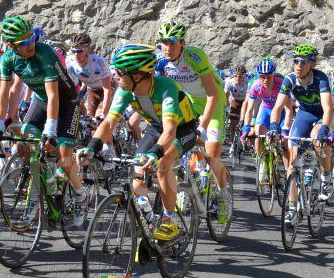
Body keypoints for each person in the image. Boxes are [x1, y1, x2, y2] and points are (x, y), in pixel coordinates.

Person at [78, 44, 198, 240]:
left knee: (163, 164)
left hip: (182, 128)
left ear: (137, 75)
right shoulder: (126, 90)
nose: (115, 75)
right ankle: (150, 217)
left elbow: (170, 130)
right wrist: (92, 147)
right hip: (155, 128)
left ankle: (170, 221)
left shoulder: (165, 86)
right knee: (137, 172)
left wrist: (156, 152)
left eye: (120, 72)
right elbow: (109, 122)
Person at [0, 16, 89, 226]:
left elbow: (54, 95)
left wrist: (51, 130)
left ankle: (81, 195)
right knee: (24, 139)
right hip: (42, 100)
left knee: (63, 158)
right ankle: (40, 189)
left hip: (67, 101)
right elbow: (5, 94)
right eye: (24, 43)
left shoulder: (45, 53)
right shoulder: (8, 59)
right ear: (11, 46)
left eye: (32, 38)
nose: (30, 44)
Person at [155, 20, 231, 223]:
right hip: (187, 103)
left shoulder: (195, 57)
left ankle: (223, 193)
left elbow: (213, 94)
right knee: (175, 145)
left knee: (211, 154)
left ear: (182, 43)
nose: (168, 48)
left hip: (211, 103)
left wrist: (203, 125)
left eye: (172, 43)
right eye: (164, 42)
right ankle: (183, 186)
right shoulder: (161, 62)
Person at [268, 43, 334, 226]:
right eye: (296, 61)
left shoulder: (320, 78)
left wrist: (324, 129)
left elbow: (328, 108)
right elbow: (277, 107)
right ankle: (291, 207)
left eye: (303, 62)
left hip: (323, 114)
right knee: (291, 161)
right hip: (305, 114)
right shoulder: (289, 79)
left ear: (312, 64)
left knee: (316, 138)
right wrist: (274, 126)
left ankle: (326, 176)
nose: (298, 65)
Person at [242, 59, 284, 177]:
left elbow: (289, 106)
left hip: (281, 111)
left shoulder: (281, 83)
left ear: (274, 75)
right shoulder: (256, 86)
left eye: (268, 77)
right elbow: (249, 109)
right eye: (262, 77)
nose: (265, 80)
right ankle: (262, 163)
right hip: (265, 109)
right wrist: (246, 126)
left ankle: (285, 165)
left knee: (284, 140)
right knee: (258, 134)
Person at [65, 32, 113, 120]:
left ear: (87, 49)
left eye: (79, 51)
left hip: (107, 88)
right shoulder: (69, 62)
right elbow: (80, 80)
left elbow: (107, 89)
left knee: (99, 117)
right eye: (73, 51)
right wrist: (80, 95)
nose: (76, 54)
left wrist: (104, 114)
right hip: (92, 90)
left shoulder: (99, 62)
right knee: (89, 120)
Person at [224, 65, 247, 142]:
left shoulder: (247, 83)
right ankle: (232, 140)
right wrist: (227, 109)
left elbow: (249, 99)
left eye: (240, 76)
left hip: (244, 101)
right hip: (233, 101)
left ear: (244, 76)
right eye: (235, 76)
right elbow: (226, 97)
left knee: (242, 121)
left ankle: (242, 139)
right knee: (233, 123)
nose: (237, 78)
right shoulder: (229, 82)